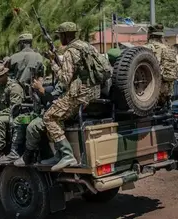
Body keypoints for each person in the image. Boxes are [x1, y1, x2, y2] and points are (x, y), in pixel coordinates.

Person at [42, 22, 104, 171]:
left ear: (65, 35)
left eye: (60, 35)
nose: (59, 38)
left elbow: (64, 79)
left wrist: (53, 64)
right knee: (58, 113)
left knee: (49, 117)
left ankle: (67, 154)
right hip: (93, 91)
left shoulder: (70, 51)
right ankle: (59, 154)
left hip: (79, 94)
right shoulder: (88, 46)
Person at [13, 78, 66, 166]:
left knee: (32, 127)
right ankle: (21, 152)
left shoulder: (66, 80)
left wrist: (41, 89)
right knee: (21, 121)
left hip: (59, 112)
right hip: (55, 110)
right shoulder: (61, 79)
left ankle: (28, 156)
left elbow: (54, 99)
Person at [144, 24, 178, 106]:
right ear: (161, 36)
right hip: (163, 94)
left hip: (143, 95)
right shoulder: (168, 50)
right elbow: (170, 75)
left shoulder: (142, 49)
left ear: (149, 35)